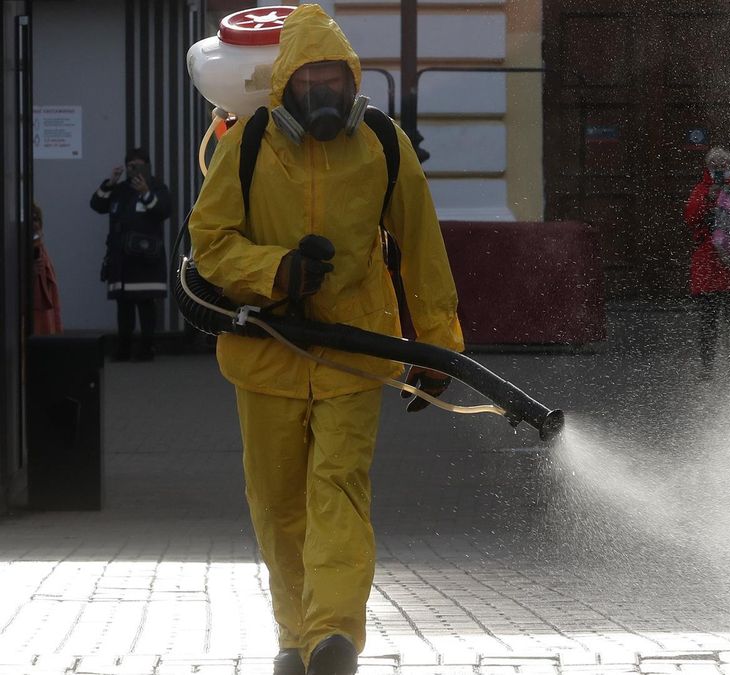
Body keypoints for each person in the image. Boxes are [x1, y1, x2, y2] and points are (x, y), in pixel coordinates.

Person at [188, 7, 464, 675]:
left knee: (337, 489)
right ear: (285, 82)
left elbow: (422, 250)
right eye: (309, 79)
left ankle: (333, 636)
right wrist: (277, 271)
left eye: (333, 78)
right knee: (278, 503)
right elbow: (210, 243)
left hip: (354, 353)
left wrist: (439, 346)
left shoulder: (381, 145)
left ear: (352, 79)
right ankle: (296, 637)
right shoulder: (248, 144)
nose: (323, 92)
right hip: (266, 353)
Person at [88, 147, 171, 361]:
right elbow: (97, 205)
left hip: (146, 261)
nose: (133, 170)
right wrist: (110, 182)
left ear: (147, 167)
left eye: (138, 166)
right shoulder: (120, 189)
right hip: (121, 261)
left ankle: (147, 349)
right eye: (130, 166)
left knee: (146, 306)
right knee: (123, 307)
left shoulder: (156, 187)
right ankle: (123, 349)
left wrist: (145, 193)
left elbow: (163, 210)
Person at [683, 146, 730, 380]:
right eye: (713, 165)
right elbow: (690, 217)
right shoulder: (701, 189)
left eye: (723, 165)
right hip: (709, 266)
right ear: (707, 167)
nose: (718, 169)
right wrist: (709, 198)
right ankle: (707, 368)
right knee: (708, 322)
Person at [31, 203, 63, 335]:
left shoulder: (41, 250)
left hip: (44, 319)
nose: (35, 224)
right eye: (31, 219)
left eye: (36, 219)